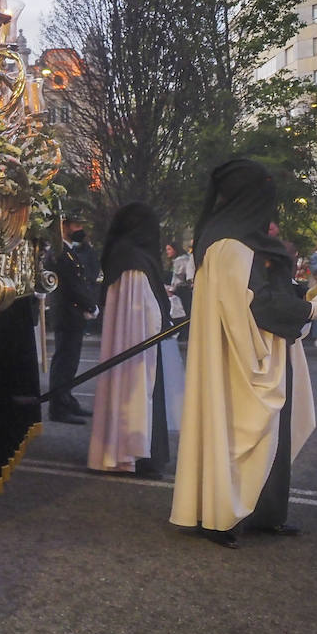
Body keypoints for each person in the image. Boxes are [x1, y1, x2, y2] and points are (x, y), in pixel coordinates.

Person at [169, 159, 317, 548]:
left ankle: (264, 512)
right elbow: (258, 305)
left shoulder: (231, 239)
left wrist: (308, 296)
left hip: (259, 350)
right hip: (243, 358)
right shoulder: (231, 245)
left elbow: (268, 290)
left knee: (269, 434)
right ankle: (222, 515)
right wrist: (310, 310)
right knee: (245, 431)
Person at [87, 204, 181, 478]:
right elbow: (142, 308)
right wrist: (165, 321)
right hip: (139, 342)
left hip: (135, 339)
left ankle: (127, 452)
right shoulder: (133, 259)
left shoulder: (126, 254)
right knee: (140, 391)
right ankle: (133, 454)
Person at [46, 217, 99, 423]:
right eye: (77, 225)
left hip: (71, 314)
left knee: (70, 363)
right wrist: (91, 306)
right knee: (64, 362)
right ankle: (58, 408)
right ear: (64, 227)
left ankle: (66, 400)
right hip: (67, 313)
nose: (81, 229)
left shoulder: (69, 252)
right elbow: (72, 285)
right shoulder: (60, 253)